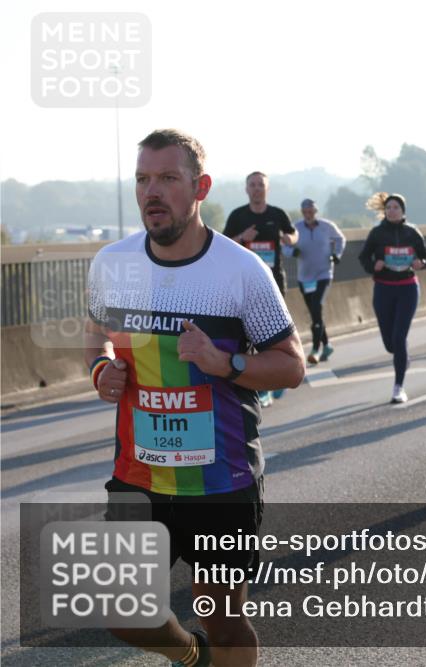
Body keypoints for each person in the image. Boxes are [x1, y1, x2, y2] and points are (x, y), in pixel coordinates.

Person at [86, 128, 305, 667]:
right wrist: (99, 369)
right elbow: (95, 331)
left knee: (224, 619)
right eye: (142, 179)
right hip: (139, 476)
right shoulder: (112, 264)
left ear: (200, 186)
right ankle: (193, 658)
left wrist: (224, 362)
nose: (151, 192)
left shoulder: (240, 271)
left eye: (167, 178)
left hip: (220, 483)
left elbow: (292, 365)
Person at [223, 171, 298, 407]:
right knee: (250, 336)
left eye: (260, 185)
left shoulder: (276, 214)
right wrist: (242, 237)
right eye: (252, 185)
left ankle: (276, 379)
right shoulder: (238, 216)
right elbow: (223, 246)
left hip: (274, 281)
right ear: (246, 189)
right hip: (245, 284)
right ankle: (264, 386)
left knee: (274, 336)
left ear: (267, 189)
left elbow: (293, 234)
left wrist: (289, 239)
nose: (256, 189)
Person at [358, 192, 426, 403]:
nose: (391, 211)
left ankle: (398, 387)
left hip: (407, 288)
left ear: (403, 210)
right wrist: (374, 266)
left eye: (395, 207)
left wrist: (421, 263)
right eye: (388, 207)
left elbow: (425, 255)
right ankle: (401, 356)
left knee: (399, 337)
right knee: (390, 344)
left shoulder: (411, 232)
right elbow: (363, 256)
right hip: (383, 289)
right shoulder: (377, 233)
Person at [293, 198, 345, 365]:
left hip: (324, 273)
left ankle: (315, 350)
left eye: (311, 211)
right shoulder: (296, 228)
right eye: (306, 212)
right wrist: (291, 251)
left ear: (316, 212)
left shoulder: (326, 226)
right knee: (315, 313)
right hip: (305, 277)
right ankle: (327, 345)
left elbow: (340, 239)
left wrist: (336, 254)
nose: (309, 214)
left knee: (317, 307)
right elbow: (285, 244)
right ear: (302, 212)